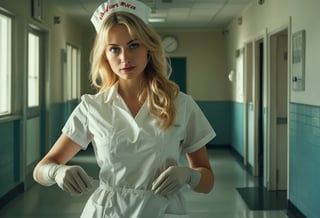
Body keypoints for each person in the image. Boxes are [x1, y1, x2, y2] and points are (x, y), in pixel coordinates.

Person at [33, 0, 216, 217]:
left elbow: (207, 182)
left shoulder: (181, 104)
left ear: (148, 48)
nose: (124, 58)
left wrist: (189, 176)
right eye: (114, 49)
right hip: (106, 212)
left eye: (133, 45)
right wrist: (57, 171)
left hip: (161, 210)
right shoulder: (93, 107)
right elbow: (41, 169)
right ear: (105, 55)